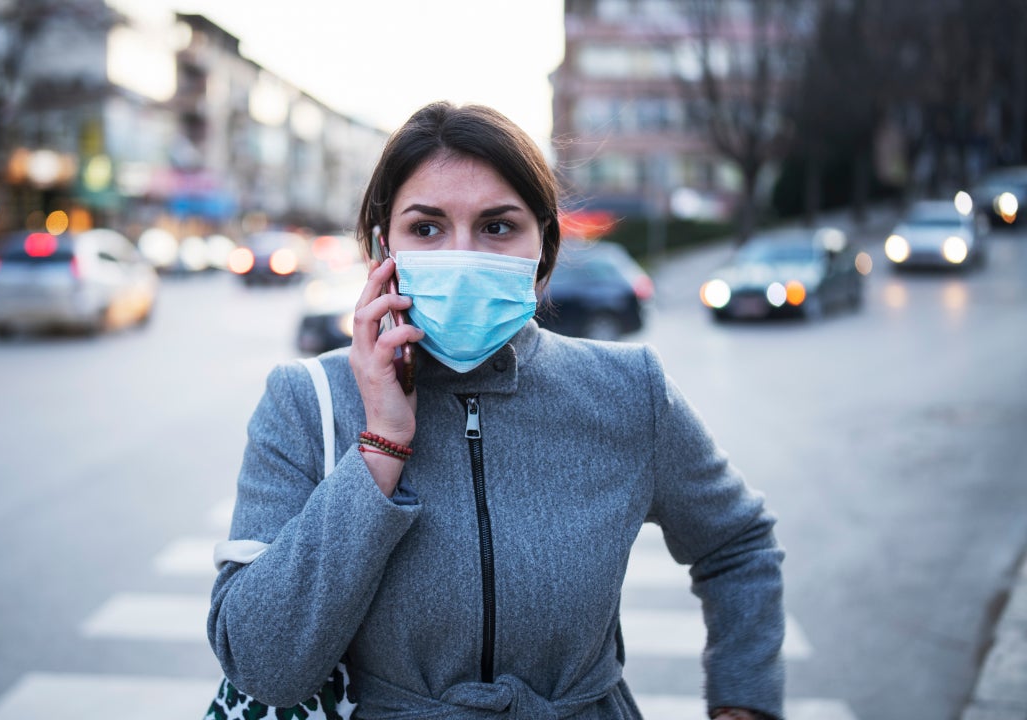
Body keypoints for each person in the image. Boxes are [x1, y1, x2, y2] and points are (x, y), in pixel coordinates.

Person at [208, 101, 785, 720]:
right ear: (383, 247)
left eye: (498, 226)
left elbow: (738, 545)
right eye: (427, 228)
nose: (463, 256)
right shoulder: (304, 401)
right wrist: (380, 447)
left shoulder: (627, 389)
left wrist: (742, 703)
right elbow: (261, 663)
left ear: (543, 247)